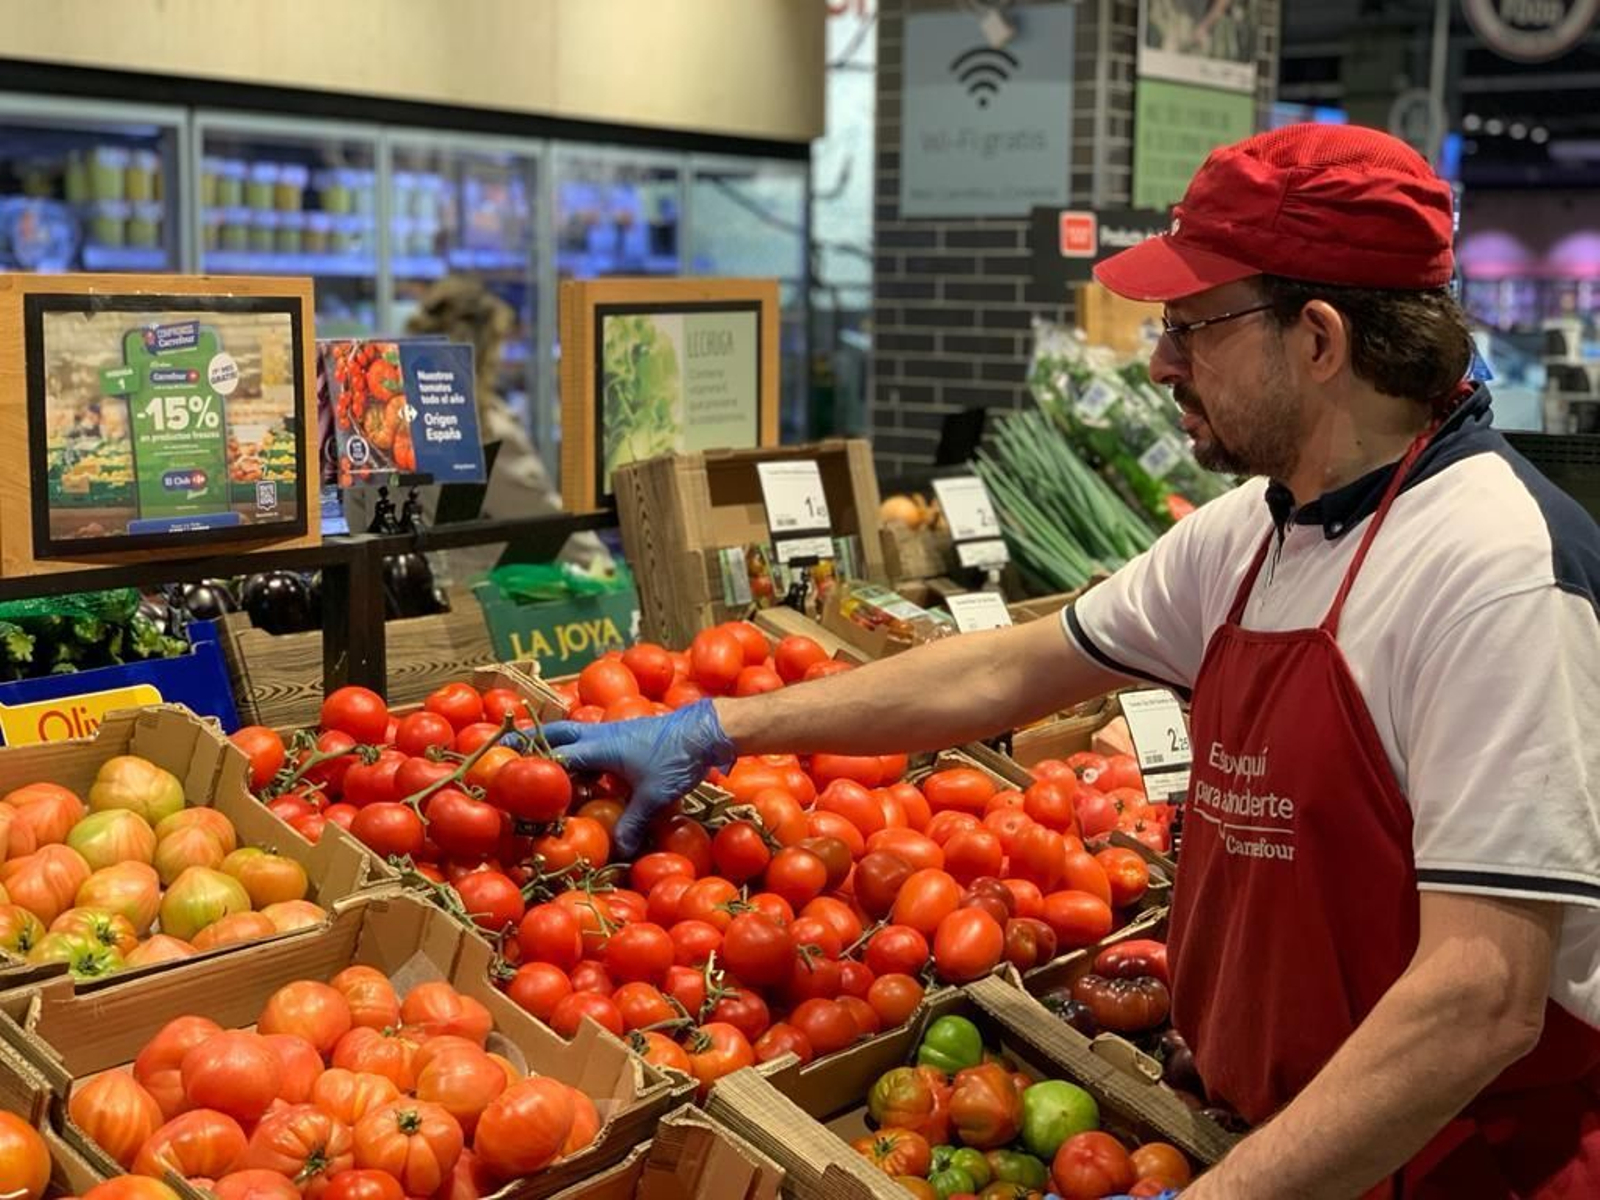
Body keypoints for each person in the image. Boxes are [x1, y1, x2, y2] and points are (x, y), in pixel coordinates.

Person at [543, 125, 1600, 1197]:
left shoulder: (1498, 574)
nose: (1162, 363)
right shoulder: (1248, 533)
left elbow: (1480, 996)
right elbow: (1000, 672)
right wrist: (719, 728)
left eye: (1192, 327)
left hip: (1455, 1170)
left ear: (1319, 339)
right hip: (1280, 1149)